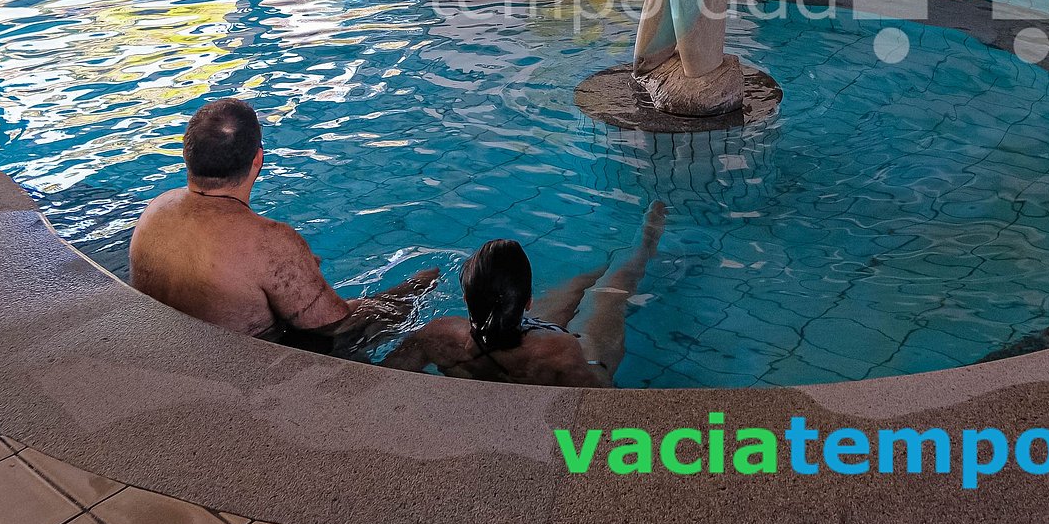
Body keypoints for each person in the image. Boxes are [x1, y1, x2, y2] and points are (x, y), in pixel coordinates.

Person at [129, 99, 438, 353]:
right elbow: (331, 324)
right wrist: (405, 295)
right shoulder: (270, 242)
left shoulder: (156, 209)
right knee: (419, 297)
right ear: (258, 160)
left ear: (187, 154)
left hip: (168, 346)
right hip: (243, 366)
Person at [384, 203, 666, 387]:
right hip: (572, 357)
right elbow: (595, 400)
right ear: (527, 301)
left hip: (509, 340)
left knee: (577, 288)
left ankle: (605, 267)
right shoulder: (560, 350)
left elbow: (388, 374)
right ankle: (645, 242)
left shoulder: (437, 334)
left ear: (467, 298)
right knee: (610, 293)